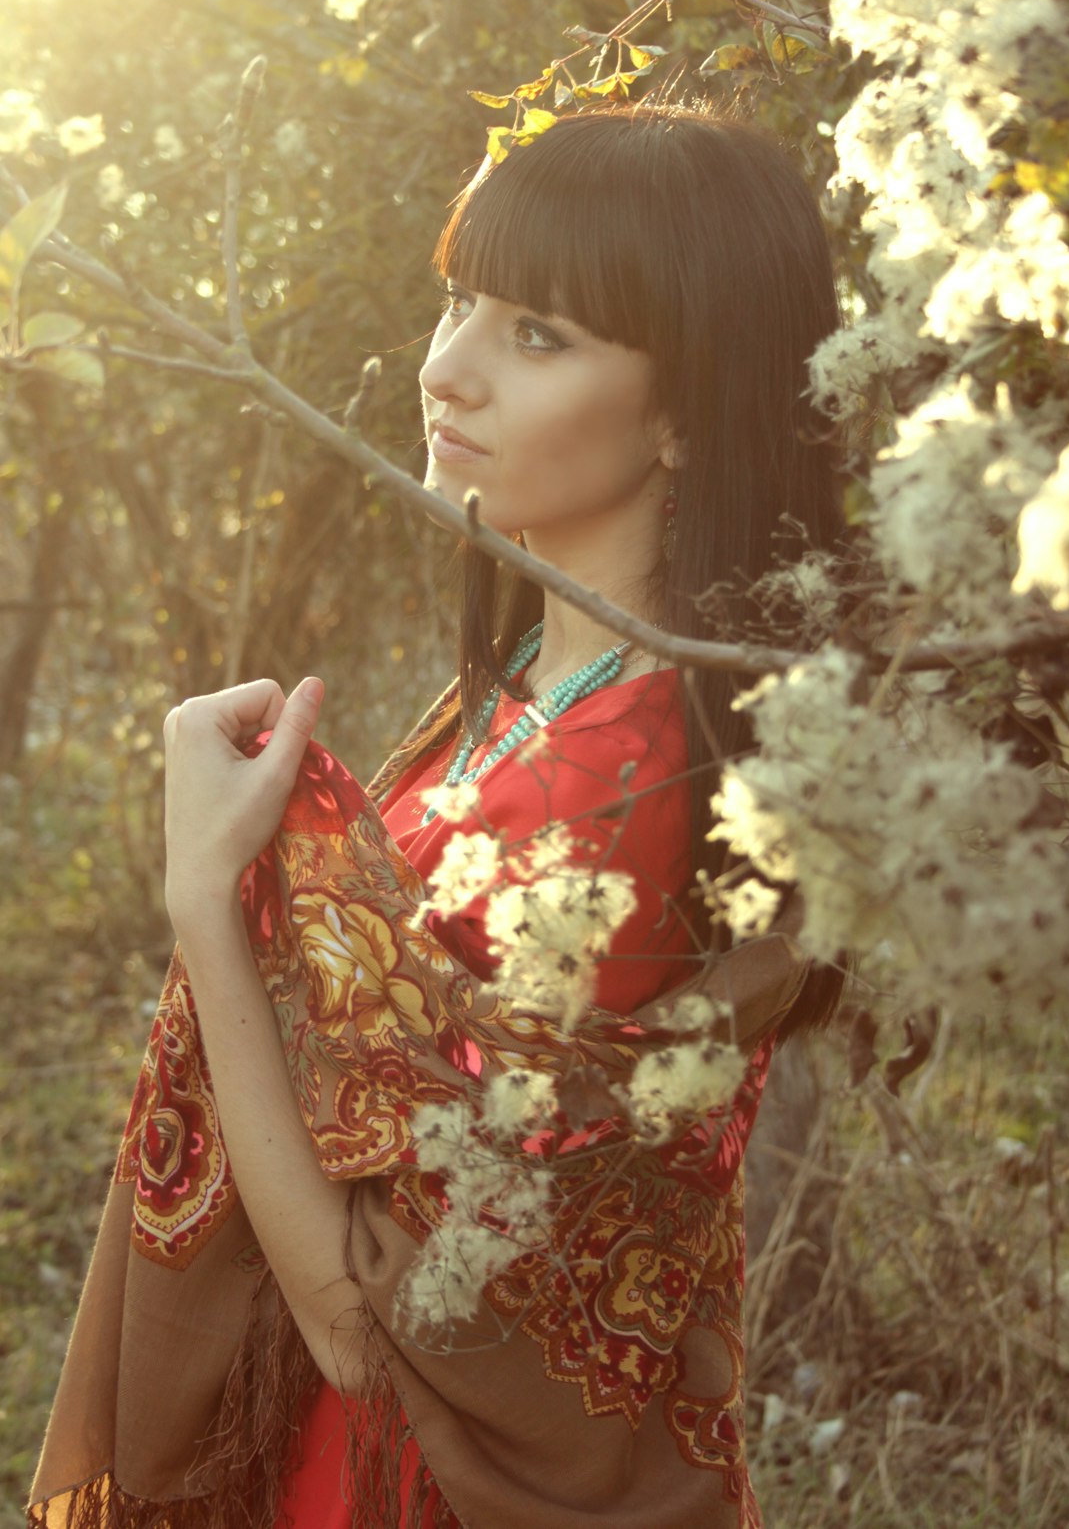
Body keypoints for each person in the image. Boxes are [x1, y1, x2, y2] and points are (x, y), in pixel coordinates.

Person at [27, 102, 843, 1529]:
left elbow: (376, 1322)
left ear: (689, 411)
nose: (447, 368)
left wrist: (209, 903)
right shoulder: (555, 684)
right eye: (459, 299)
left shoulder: (618, 784)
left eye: (540, 335)